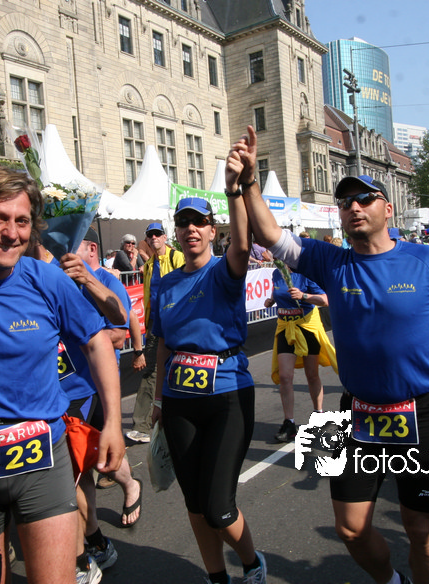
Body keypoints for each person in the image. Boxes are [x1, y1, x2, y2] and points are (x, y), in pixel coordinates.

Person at [237, 125, 429, 584]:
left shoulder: (427, 260)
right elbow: (270, 233)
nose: (354, 207)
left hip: (419, 412)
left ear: (387, 208)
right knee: (350, 528)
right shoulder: (331, 261)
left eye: (364, 199)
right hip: (356, 414)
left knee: (421, 529)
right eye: (345, 202)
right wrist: (249, 182)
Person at [0, 159, 125, 584]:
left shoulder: (45, 280)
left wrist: (112, 423)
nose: (11, 232)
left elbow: (97, 341)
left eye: (22, 221)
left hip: (41, 458)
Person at [151, 193, 266, 583]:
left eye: (199, 222)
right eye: (183, 223)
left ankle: (251, 564)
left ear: (212, 231)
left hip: (227, 396)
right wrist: (158, 399)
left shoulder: (223, 271)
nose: (191, 229)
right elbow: (163, 344)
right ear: (176, 232)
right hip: (179, 401)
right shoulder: (166, 284)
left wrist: (235, 192)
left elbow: (243, 246)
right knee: (196, 505)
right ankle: (217, 577)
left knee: (218, 508)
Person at [58, 229, 141, 577]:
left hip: (89, 387)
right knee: (82, 467)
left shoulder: (106, 280)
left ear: (90, 247)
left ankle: (129, 485)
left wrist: (80, 336)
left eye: (69, 240)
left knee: (96, 462)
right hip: (58, 392)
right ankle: (93, 538)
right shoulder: (52, 277)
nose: (60, 248)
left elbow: (120, 331)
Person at [126, 222, 185, 444]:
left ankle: (184, 417)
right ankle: (140, 425)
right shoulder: (149, 265)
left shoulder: (177, 258)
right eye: (150, 236)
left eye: (157, 234)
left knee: (182, 367)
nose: (154, 238)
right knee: (151, 372)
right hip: (157, 324)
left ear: (164, 237)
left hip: (178, 322)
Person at [264, 264, 337, 443]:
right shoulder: (276, 274)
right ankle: (289, 423)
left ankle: (318, 414)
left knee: (312, 374)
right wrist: (271, 300)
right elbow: (277, 292)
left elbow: (325, 300)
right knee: (285, 376)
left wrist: (304, 296)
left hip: (306, 326)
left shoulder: (307, 273)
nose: (276, 257)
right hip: (285, 327)